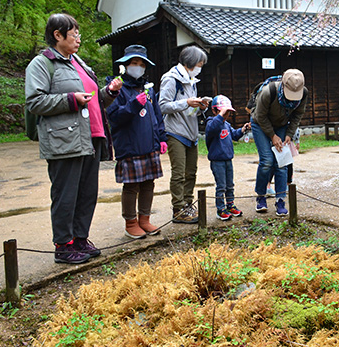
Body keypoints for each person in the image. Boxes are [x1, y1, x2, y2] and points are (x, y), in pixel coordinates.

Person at [25, 13, 122, 264]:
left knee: (86, 193)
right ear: (57, 35)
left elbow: (92, 98)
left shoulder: (77, 61)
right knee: (65, 194)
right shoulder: (41, 64)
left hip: (89, 137)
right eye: (74, 33)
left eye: (78, 33)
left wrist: (108, 93)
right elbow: (35, 101)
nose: (78, 38)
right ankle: (63, 245)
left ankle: (80, 239)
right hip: (64, 140)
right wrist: (71, 100)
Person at [106, 45, 167, 239]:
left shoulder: (147, 87)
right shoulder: (116, 86)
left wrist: (162, 137)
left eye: (141, 64)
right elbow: (113, 116)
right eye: (134, 63)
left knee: (149, 183)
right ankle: (130, 222)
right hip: (129, 145)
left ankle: (144, 219)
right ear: (125, 65)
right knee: (131, 185)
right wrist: (134, 104)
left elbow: (156, 115)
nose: (138, 67)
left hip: (149, 144)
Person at [159, 45, 211, 223]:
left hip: (191, 132)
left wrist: (199, 106)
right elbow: (162, 106)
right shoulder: (171, 79)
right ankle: (178, 209)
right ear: (189, 62)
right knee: (179, 173)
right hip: (175, 132)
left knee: (191, 172)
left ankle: (188, 204)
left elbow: (188, 108)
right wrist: (186, 102)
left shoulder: (191, 80)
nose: (200, 67)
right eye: (199, 64)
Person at [251, 69, 307, 216]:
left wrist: (289, 134)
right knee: (267, 161)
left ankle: (280, 199)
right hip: (260, 124)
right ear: (283, 85)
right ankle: (261, 197)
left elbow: (297, 115)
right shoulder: (268, 92)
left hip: (281, 125)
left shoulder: (304, 94)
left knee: (282, 162)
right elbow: (260, 116)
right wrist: (272, 136)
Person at [205, 95, 251, 220]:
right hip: (217, 161)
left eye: (228, 112)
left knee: (230, 185)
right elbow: (212, 129)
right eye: (223, 112)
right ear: (214, 111)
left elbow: (234, 135)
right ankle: (220, 209)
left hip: (228, 160)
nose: (226, 115)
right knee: (221, 186)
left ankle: (230, 205)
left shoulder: (226, 125)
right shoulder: (211, 123)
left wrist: (242, 129)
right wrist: (220, 116)